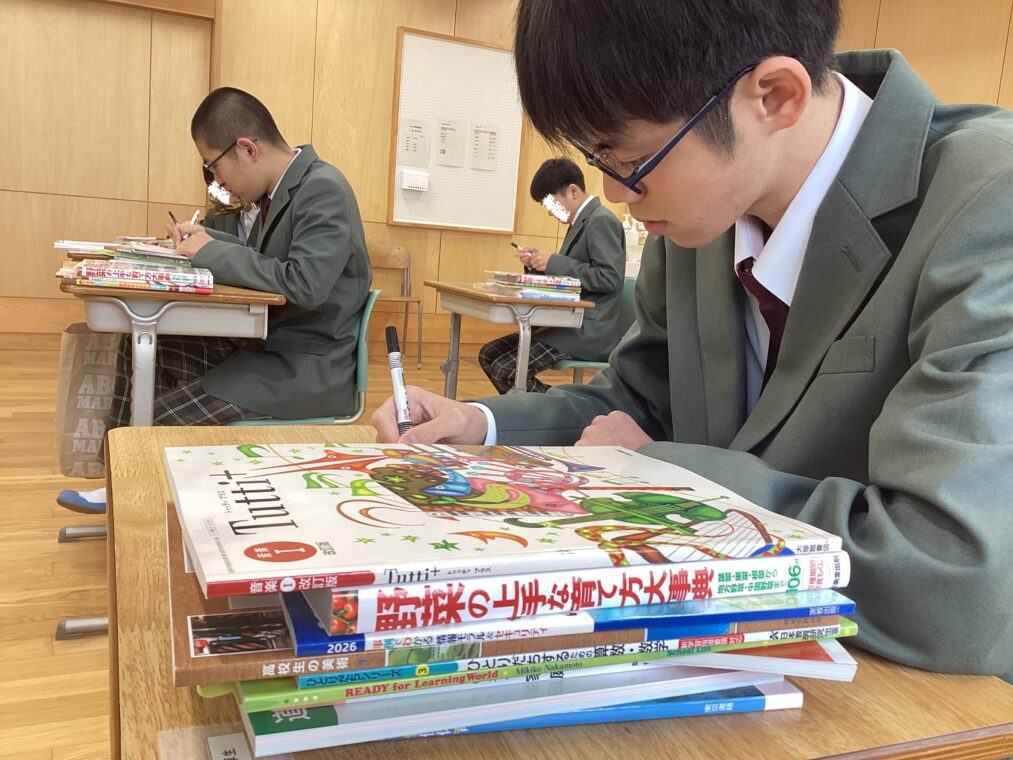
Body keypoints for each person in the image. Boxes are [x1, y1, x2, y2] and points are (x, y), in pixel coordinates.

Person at [373, 0, 1013, 682]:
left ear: (774, 95)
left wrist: (664, 476)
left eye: (633, 159)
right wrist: (481, 424)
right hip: (721, 649)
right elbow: (640, 404)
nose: (617, 193)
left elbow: (952, 574)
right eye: (598, 158)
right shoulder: (702, 215)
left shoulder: (986, 202)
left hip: (910, 691)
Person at [57, 87, 371, 514]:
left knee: (158, 417)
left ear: (247, 149)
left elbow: (303, 283)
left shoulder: (323, 189)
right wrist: (208, 241)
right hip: (272, 349)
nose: (218, 182)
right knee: (146, 342)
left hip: (306, 368)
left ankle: (132, 485)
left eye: (214, 167)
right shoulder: (284, 191)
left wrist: (209, 252)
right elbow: (268, 260)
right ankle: (122, 480)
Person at [478, 158, 625, 393]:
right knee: (488, 355)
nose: (550, 212)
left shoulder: (601, 221)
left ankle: (562, 408)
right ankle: (542, 408)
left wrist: (553, 262)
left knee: (505, 369)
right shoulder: (581, 222)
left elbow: (609, 278)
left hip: (586, 331)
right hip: (566, 322)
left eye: (552, 204)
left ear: (573, 191)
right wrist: (540, 264)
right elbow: (574, 274)